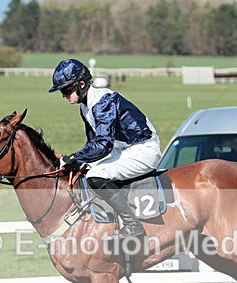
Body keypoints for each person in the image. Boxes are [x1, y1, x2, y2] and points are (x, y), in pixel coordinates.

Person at [49, 58, 162, 239]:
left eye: (67, 89)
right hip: (123, 150)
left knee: (96, 176)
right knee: (86, 172)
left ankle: (133, 225)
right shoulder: (85, 107)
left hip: (143, 149)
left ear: (82, 84)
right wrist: (77, 161)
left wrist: (74, 158)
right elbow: (92, 143)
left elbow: (103, 144)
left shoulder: (103, 102)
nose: (64, 95)